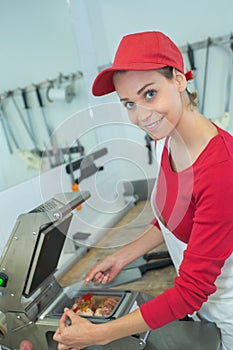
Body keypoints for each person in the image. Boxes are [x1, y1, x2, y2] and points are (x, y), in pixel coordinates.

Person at [53, 31, 233, 350]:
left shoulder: (221, 169)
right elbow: (174, 217)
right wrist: (123, 255)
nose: (141, 115)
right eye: (129, 104)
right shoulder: (167, 139)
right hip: (206, 308)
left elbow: (192, 290)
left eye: (149, 93)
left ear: (178, 79)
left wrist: (97, 334)